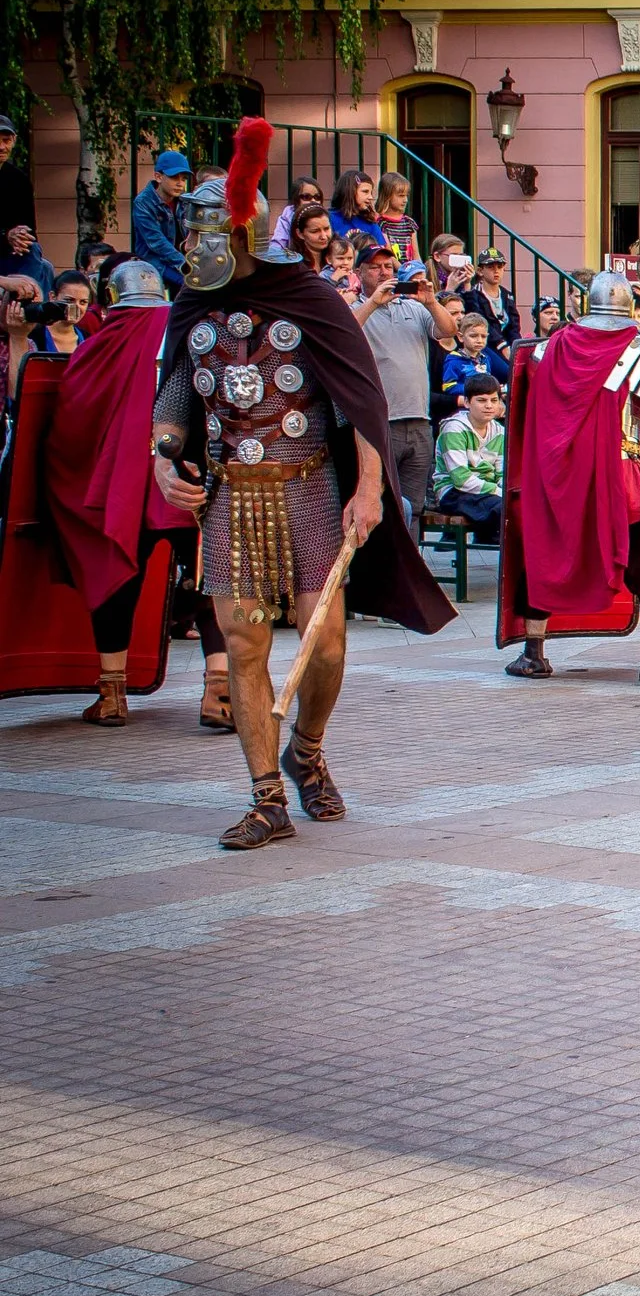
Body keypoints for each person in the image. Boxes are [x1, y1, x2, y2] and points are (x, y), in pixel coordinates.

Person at [147, 120, 454, 849]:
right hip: (229, 497)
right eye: (187, 236)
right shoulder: (192, 307)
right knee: (244, 644)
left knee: (327, 646)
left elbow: (359, 397)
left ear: (239, 233)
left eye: (203, 236)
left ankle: (307, 749)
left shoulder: (307, 297)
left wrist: (371, 486)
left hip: (310, 486)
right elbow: (176, 398)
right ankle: (265, 796)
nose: (191, 250)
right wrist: (164, 459)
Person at [25, 261, 231, 729]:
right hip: (190, 478)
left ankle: (113, 694)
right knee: (208, 580)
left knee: (118, 578)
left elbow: (71, 428)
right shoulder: (191, 332)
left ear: (111, 301)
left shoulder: (97, 347)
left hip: (122, 491)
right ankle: (218, 692)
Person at [502, 271, 640, 682]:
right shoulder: (636, 349)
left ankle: (533, 653)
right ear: (627, 307)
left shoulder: (546, 350)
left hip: (555, 476)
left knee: (546, 554)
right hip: (618, 475)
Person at [358, 256, 455, 522]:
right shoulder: (354, 307)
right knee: (378, 504)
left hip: (419, 420)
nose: (383, 272)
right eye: (375, 268)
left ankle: (411, 561)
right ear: (359, 272)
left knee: (413, 508)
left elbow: (449, 331)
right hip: (379, 424)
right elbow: (345, 334)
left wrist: (432, 302)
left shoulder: (414, 307)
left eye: (388, 267)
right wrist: (373, 302)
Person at [431, 374, 505, 543]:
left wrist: (503, 490)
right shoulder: (454, 429)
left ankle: (487, 537)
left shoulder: (499, 432)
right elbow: (461, 479)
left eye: (494, 400)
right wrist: (498, 492)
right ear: (467, 402)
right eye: (481, 400)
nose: (489, 406)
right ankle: (487, 536)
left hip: (486, 491)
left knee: (519, 503)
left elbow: (502, 473)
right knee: (503, 507)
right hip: (453, 492)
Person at [0, 114, 53, 293]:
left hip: (10, 252)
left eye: (6, 140)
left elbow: (29, 231)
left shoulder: (19, 181)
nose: (1, 147)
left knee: (38, 258)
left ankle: (30, 308)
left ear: (14, 141)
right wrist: (6, 236)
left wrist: (20, 238)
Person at [132, 149, 192, 291]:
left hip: (182, 262)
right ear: (158, 177)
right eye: (174, 178)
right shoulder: (143, 202)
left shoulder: (185, 201)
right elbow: (156, 241)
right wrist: (183, 263)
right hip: (155, 262)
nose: (180, 183)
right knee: (187, 286)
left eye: (183, 179)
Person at [438, 313, 508, 402]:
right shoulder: (453, 360)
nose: (479, 341)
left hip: (485, 404)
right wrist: (476, 389)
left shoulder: (486, 358)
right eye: (473, 336)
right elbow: (448, 386)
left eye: (483, 336)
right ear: (460, 337)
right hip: (464, 406)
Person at [459, 248, 519, 347]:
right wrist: (501, 344)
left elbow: (514, 326)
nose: (496, 271)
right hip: (484, 344)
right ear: (480, 271)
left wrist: (516, 346)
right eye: (490, 267)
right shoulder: (473, 294)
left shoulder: (507, 295)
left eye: (500, 267)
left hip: (507, 344)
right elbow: (477, 318)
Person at [328, 170, 383, 254]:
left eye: (371, 192)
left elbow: (382, 250)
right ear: (350, 191)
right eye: (365, 192)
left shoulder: (370, 222)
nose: (371, 197)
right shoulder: (330, 219)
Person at [372, 171, 419, 261]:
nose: (405, 200)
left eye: (406, 196)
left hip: (410, 272)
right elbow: (389, 255)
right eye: (401, 196)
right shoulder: (380, 223)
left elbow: (416, 255)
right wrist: (404, 273)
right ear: (387, 196)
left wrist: (420, 270)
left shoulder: (410, 223)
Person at [268, 176, 322, 248]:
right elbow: (278, 245)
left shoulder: (325, 217)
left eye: (317, 197)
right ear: (296, 199)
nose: (313, 201)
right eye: (306, 197)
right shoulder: (287, 217)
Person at [288, 204, 335, 274]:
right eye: (315, 231)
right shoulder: (292, 267)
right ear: (300, 234)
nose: (324, 236)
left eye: (326, 229)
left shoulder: (340, 256)